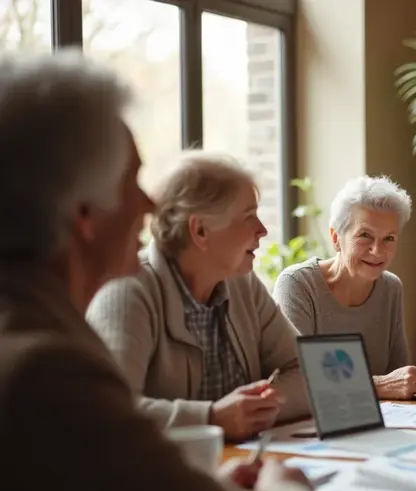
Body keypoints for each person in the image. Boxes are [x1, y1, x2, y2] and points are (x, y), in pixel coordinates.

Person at [0, 50, 334, 491]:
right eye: (130, 180)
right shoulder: (47, 372)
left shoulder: (33, 339)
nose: (149, 206)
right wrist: (286, 489)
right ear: (84, 213)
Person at [87, 150, 310, 440]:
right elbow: (106, 410)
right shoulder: (126, 291)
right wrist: (211, 418)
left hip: (236, 466)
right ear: (200, 230)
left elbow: (309, 372)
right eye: (248, 216)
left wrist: (255, 411)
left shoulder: (242, 283)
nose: (262, 230)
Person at [273, 175, 416, 399]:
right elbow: (297, 380)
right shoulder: (297, 284)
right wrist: (376, 386)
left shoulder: (390, 287)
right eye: (365, 235)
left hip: (381, 419)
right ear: (336, 238)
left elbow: (398, 376)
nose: (378, 251)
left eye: (389, 238)